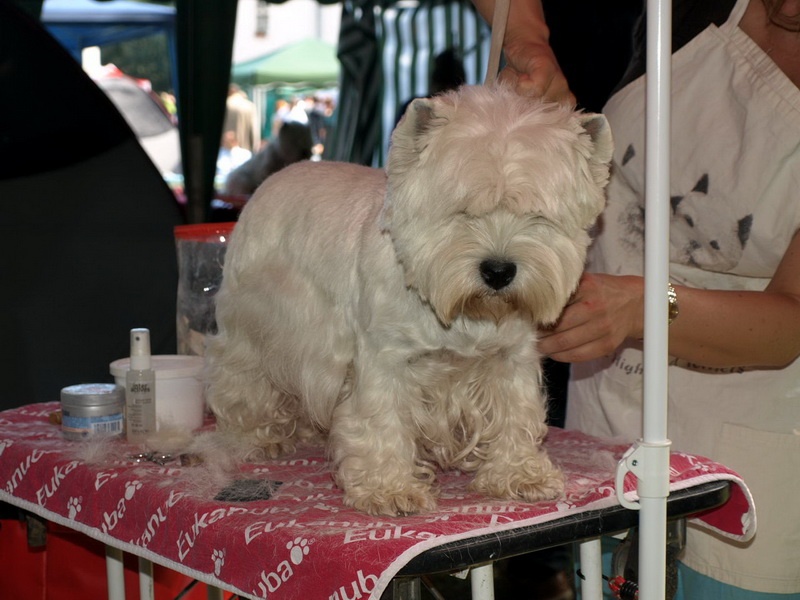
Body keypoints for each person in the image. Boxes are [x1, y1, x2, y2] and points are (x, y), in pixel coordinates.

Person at [530, 0, 800, 598]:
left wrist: (642, 307)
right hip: (606, 429)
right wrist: (529, 43)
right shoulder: (685, 11)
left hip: (747, 460)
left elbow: (792, 321)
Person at [224, 84, 260, 153]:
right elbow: (254, 132)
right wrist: (254, 149)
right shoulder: (250, 106)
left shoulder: (227, 104)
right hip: (246, 150)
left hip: (225, 150)